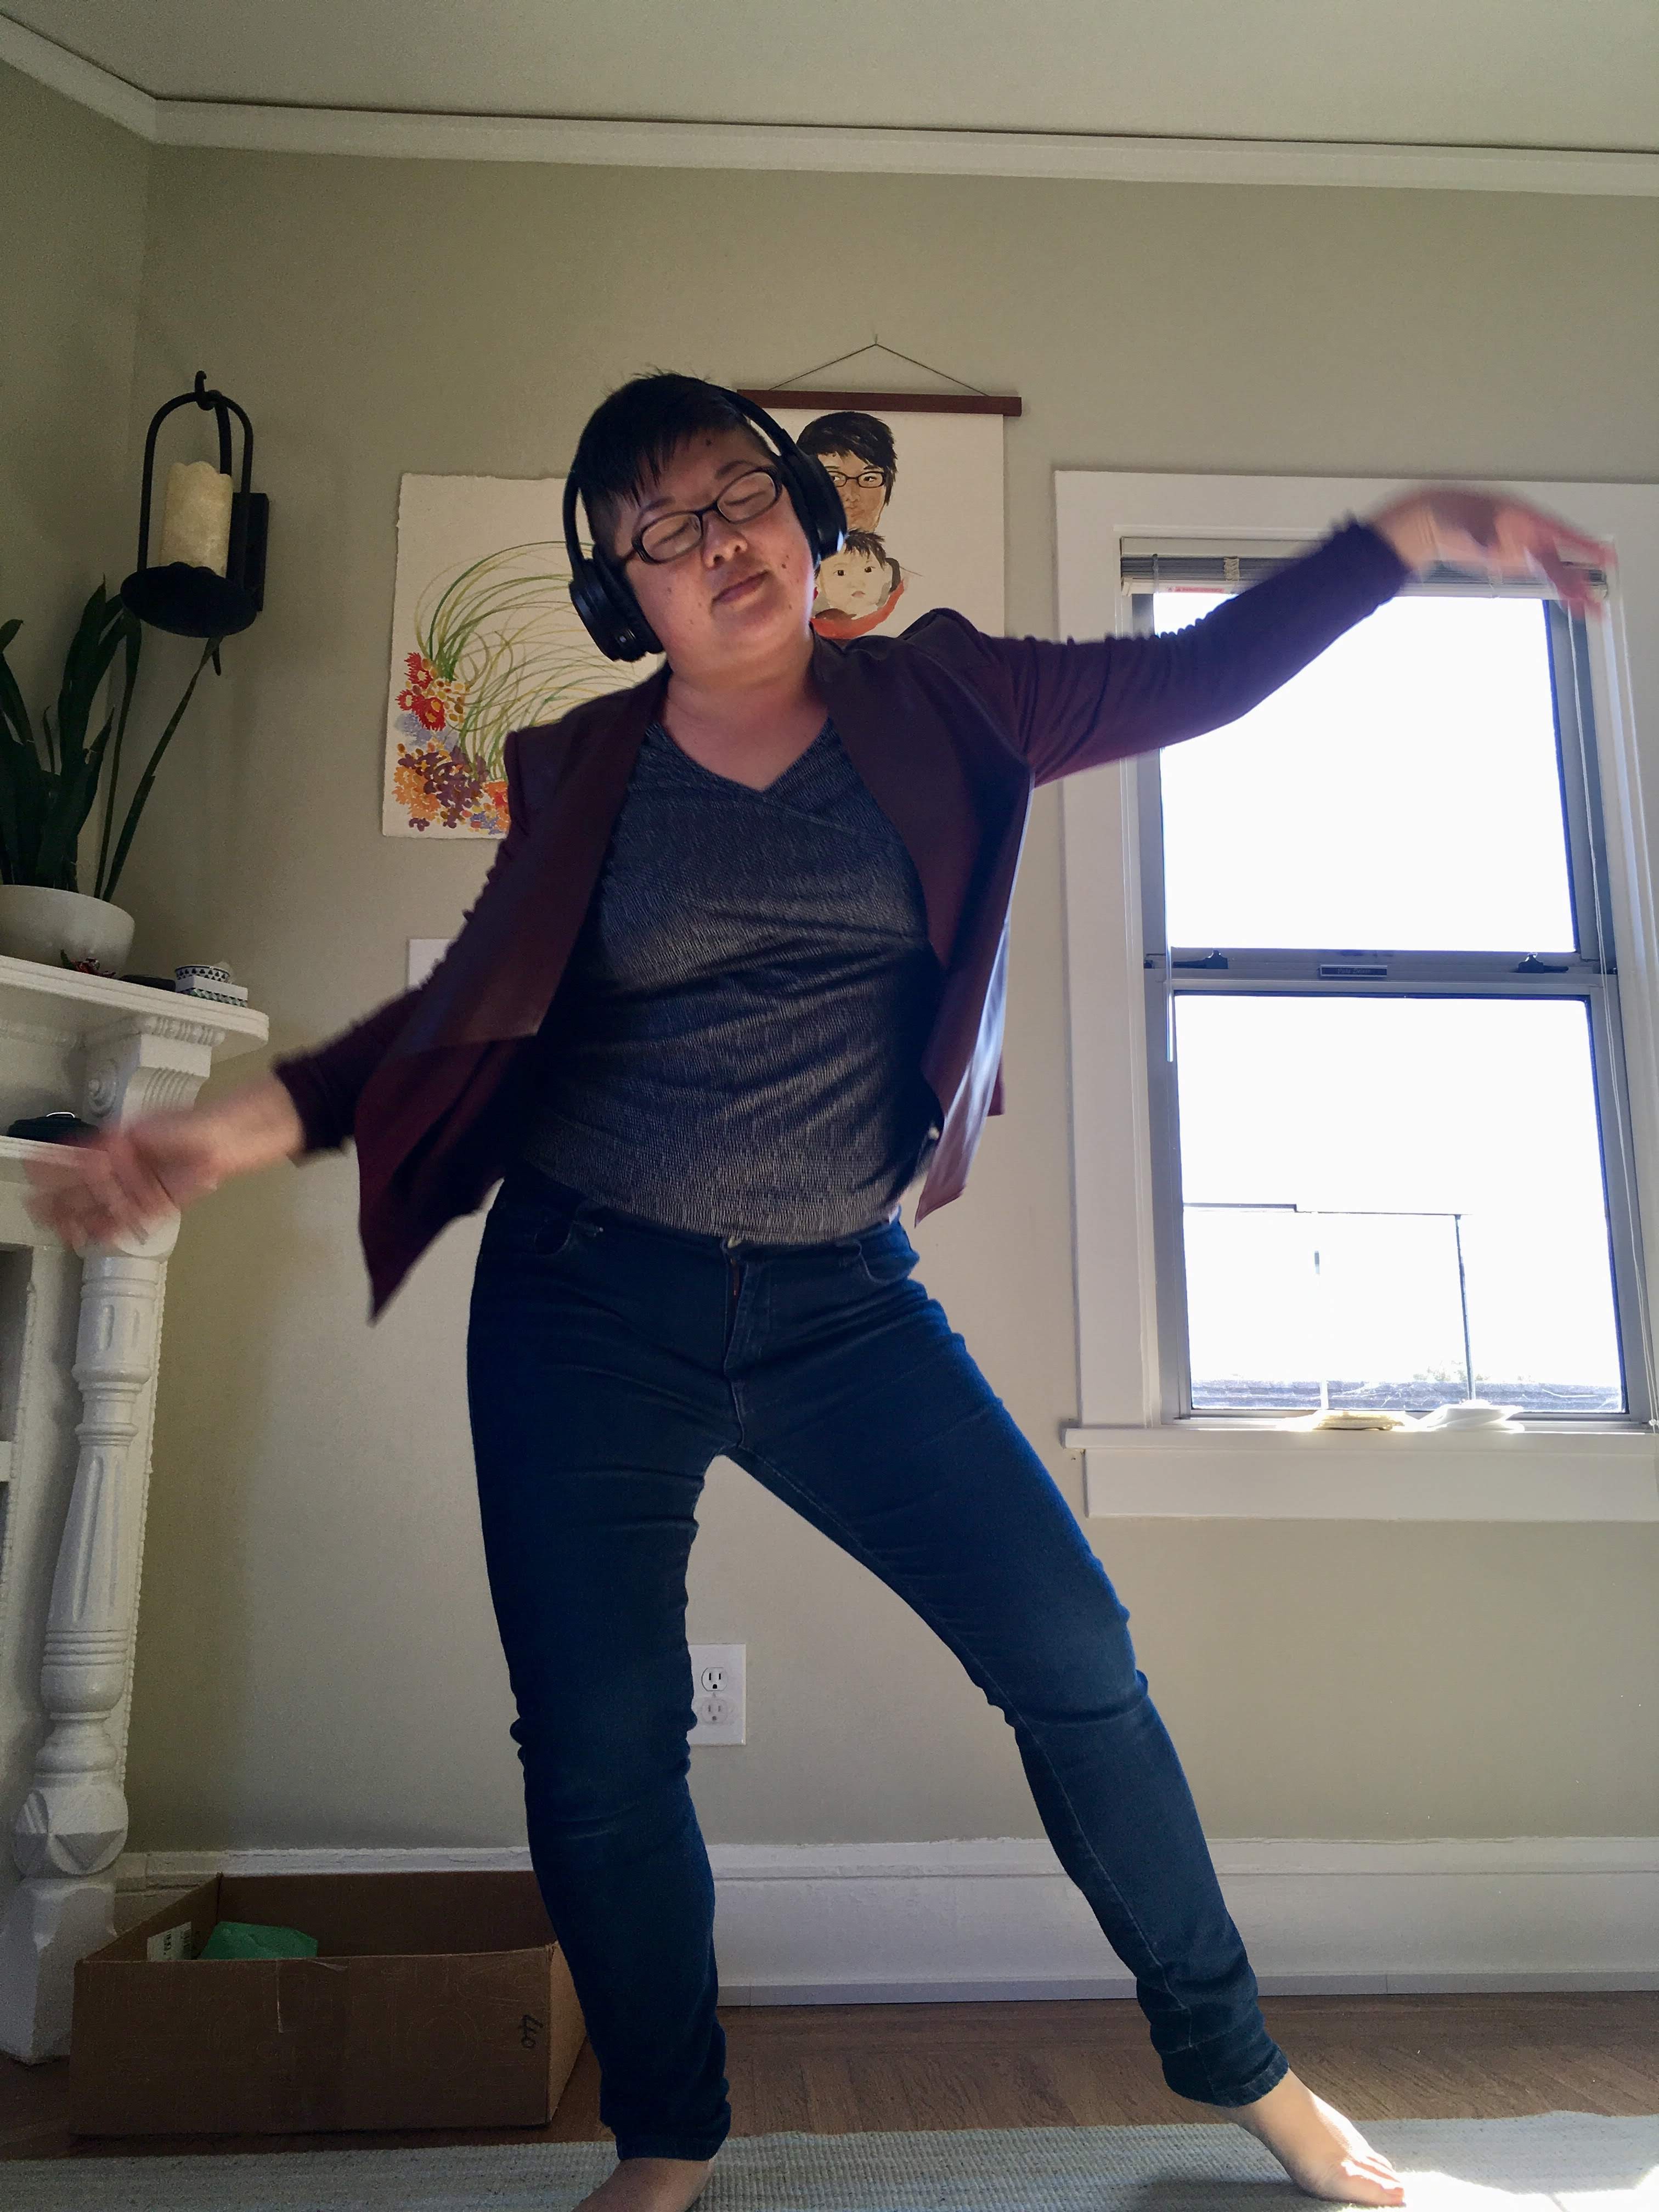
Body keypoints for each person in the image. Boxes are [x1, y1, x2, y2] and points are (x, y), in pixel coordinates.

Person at [26, 375, 1610, 2212]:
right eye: (664, 530)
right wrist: (210, 1142)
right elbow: (448, 1025)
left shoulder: (949, 699)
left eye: (739, 495)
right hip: (580, 1303)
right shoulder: (585, 772)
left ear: (803, 513)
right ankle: (668, 2139)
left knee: (1076, 1658)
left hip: (843, 1301)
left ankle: (1244, 2067)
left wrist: (1404, 539)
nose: (719, 544)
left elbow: (1200, 681)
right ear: (627, 592)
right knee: (603, 1738)